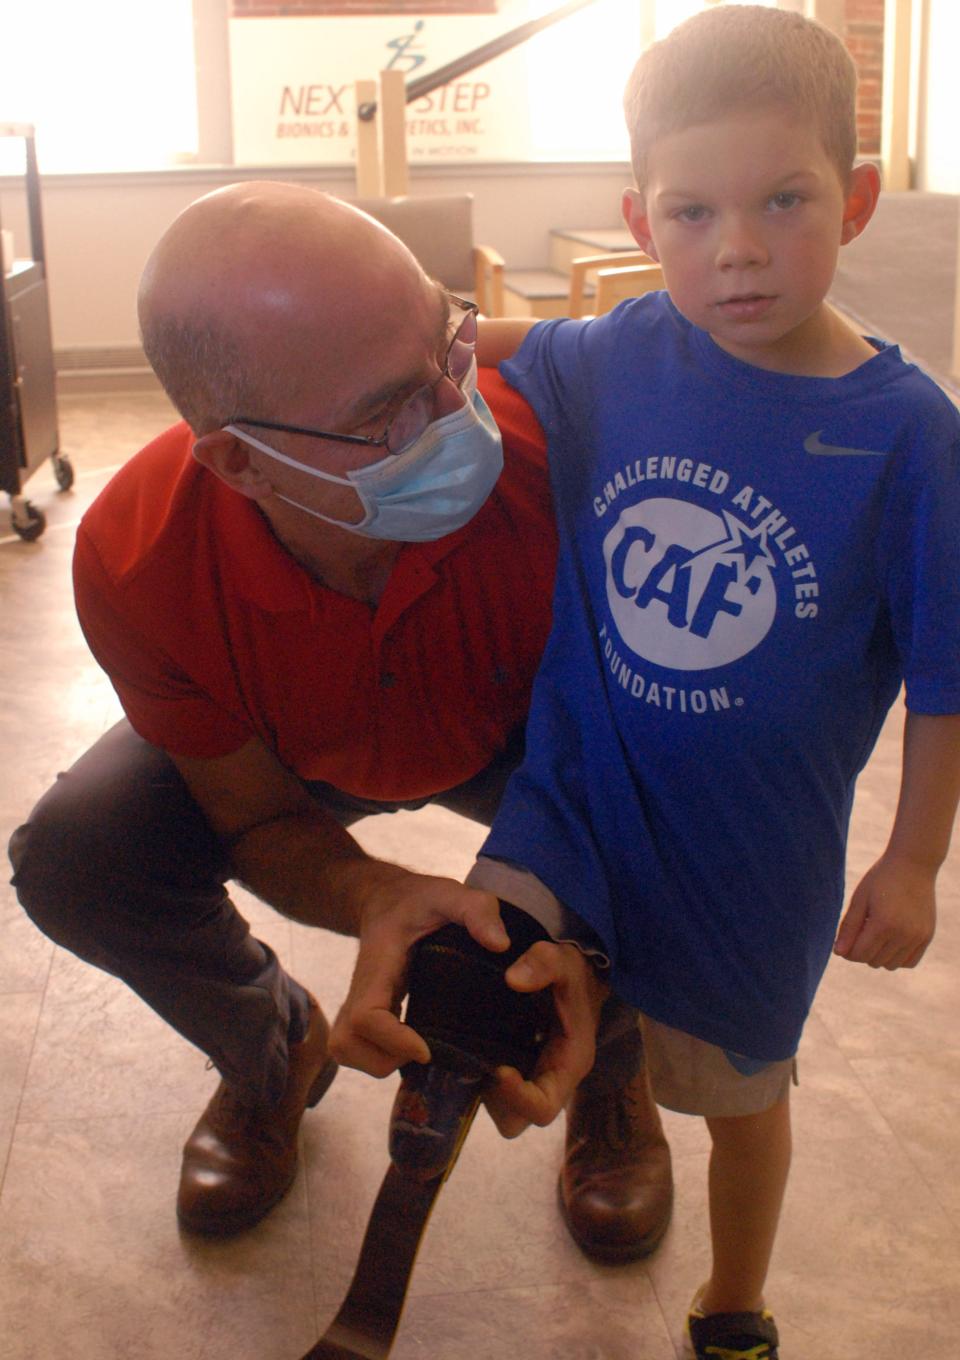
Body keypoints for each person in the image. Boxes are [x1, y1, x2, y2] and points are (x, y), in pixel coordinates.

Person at [7, 180, 673, 1255]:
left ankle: (612, 1068)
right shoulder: (142, 561)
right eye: (384, 417)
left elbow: (655, 762)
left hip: (523, 736)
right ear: (234, 459)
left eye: (450, 351)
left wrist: (581, 958)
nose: (456, 417)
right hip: (295, 740)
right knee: (79, 854)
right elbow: (259, 817)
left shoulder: (567, 466)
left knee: (670, 799)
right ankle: (274, 1049)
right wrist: (378, 893)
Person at [468, 7, 960, 1357]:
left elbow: (946, 676)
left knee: (742, 1102)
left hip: (751, 866)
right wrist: (401, 335)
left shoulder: (909, 437)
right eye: (689, 213)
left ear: (854, 202)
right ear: (640, 215)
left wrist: (915, 862)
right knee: (467, 991)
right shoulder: (625, 348)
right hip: (573, 808)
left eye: (783, 200)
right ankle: (557, 1092)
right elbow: (498, 345)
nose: (735, 248)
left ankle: (734, 1302)